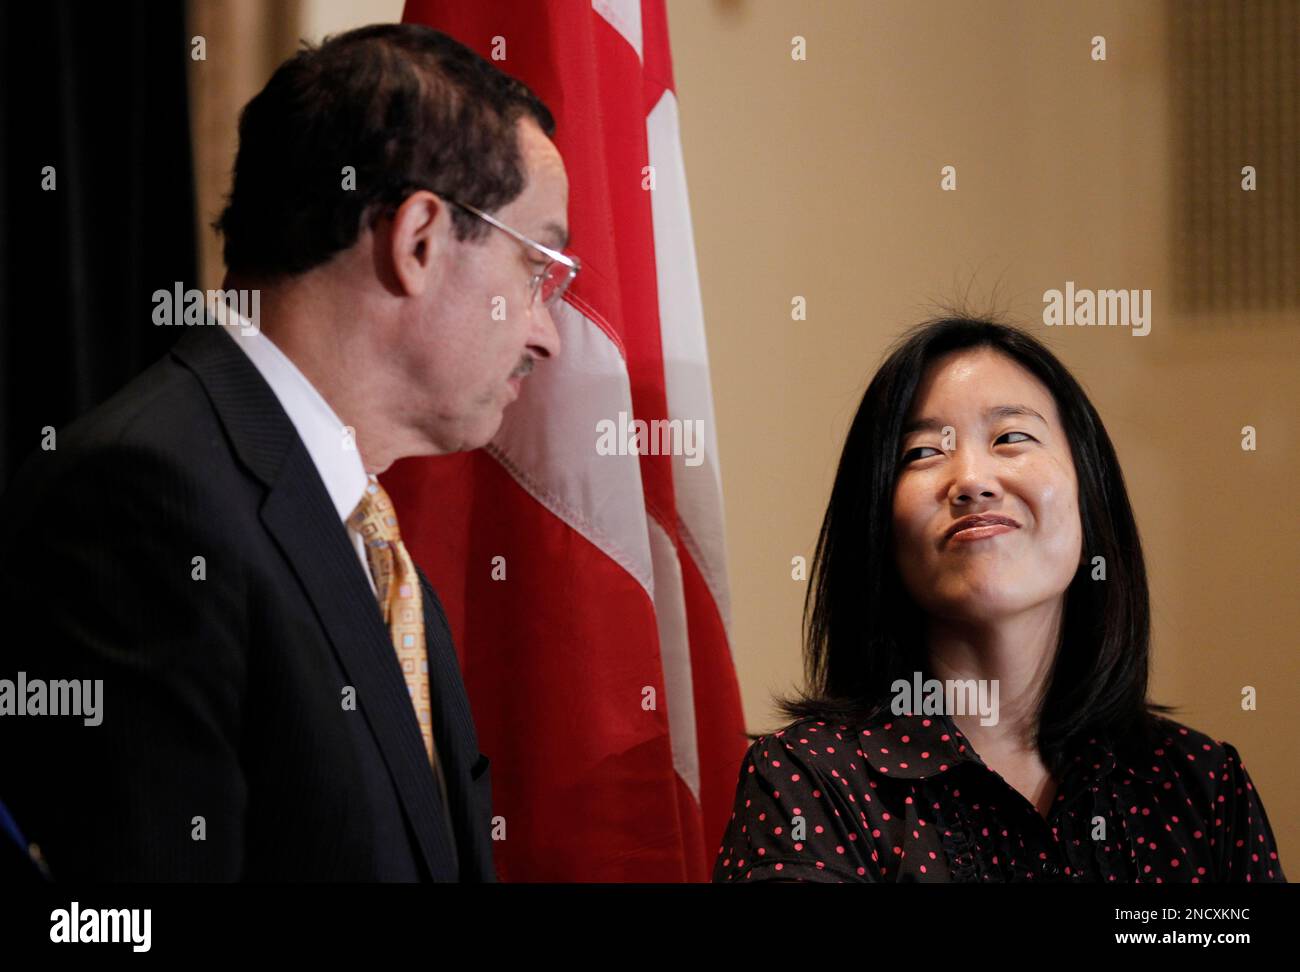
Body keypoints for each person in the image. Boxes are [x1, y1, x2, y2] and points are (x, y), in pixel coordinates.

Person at [0, 23, 576, 881]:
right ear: (418, 239)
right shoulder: (142, 499)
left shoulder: (369, 537)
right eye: (537, 271)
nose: (549, 333)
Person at [713, 314, 1285, 883]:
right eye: (920, 453)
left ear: (1091, 496)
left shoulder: (1201, 786)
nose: (972, 479)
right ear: (878, 527)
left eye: (1011, 438)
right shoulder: (810, 779)